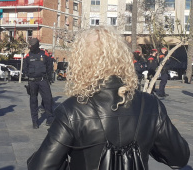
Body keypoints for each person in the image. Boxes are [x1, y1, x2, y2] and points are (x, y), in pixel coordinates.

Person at [27, 26, 190, 170]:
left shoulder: (72, 110)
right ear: (121, 57)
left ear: (81, 62)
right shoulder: (151, 105)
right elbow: (179, 157)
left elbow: (41, 166)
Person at [23, 38, 54, 129]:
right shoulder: (28, 55)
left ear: (36, 46)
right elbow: (25, 67)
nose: (30, 47)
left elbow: (49, 66)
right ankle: (35, 122)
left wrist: (50, 78)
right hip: (32, 82)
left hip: (43, 80)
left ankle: (50, 119)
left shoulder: (44, 54)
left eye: (32, 46)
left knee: (48, 99)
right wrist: (27, 76)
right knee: (33, 101)